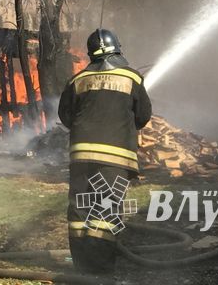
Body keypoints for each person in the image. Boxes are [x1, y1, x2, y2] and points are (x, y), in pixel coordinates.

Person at [58, 28, 152, 274]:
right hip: (115, 157)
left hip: (81, 156)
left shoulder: (77, 80)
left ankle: (83, 266)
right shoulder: (132, 78)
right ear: (117, 50)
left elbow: (66, 116)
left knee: (80, 208)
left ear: (91, 54)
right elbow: (143, 116)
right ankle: (101, 268)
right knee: (106, 208)